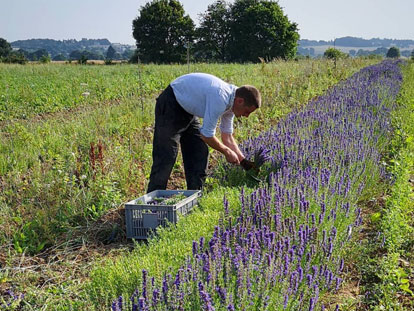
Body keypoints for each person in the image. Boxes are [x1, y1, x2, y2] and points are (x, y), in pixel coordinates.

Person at [147, 72, 261, 193]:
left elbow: (227, 136)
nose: (247, 116)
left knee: (199, 151)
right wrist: (226, 152)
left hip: (188, 110)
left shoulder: (232, 103)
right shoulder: (220, 98)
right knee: (167, 155)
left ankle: (194, 197)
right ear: (240, 101)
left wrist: (244, 162)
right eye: (247, 111)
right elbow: (207, 135)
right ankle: (153, 202)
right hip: (172, 102)